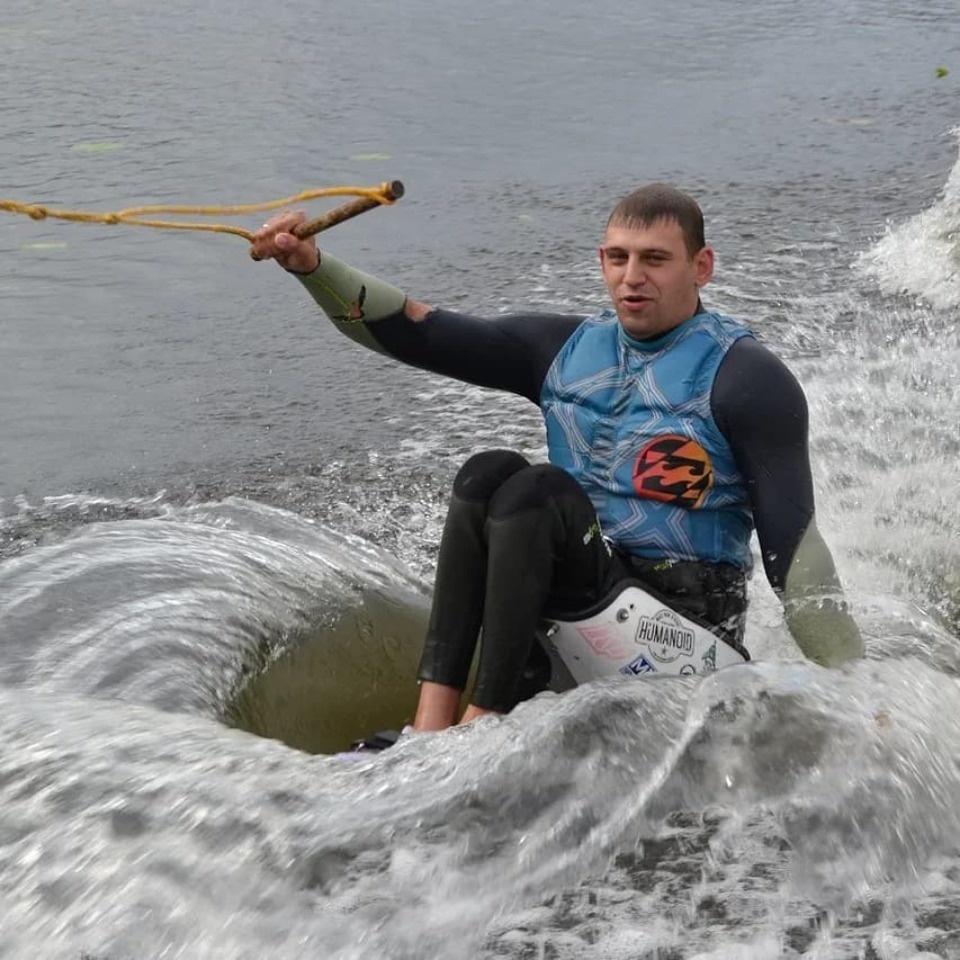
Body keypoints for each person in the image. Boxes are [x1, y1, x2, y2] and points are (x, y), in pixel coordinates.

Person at [252, 183, 864, 739]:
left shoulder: (747, 380)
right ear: (601, 262)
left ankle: (485, 725)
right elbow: (419, 330)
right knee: (487, 473)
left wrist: (860, 696)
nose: (633, 277)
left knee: (536, 491)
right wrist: (310, 266)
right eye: (618, 257)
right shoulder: (564, 350)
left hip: (686, 639)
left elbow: (797, 556)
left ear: (700, 267)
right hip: (582, 608)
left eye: (655, 259)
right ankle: (432, 727)